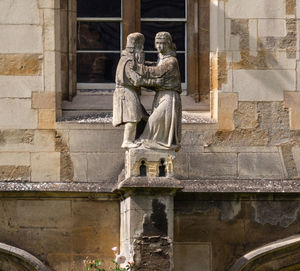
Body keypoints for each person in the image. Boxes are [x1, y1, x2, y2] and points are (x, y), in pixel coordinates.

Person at [112, 33, 163, 149]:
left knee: (143, 117)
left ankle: (142, 138)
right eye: (141, 49)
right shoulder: (128, 62)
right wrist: (154, 83)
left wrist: (155, 66)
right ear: (135, 49)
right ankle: (127, 141)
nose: (143, 52)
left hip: (130, 91)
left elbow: (142, 66)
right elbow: (136, 80)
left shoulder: (132, 60)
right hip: (126, 92)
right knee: (132, 117)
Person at [134, 32, 182, 151]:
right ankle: (150, 144)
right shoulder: (162, 59)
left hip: (169, 96)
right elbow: (155, 68)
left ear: (168, 44)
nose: (159, 47)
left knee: (153, 120)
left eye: (162, 44)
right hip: (160, 95)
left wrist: (137, 67)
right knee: (155, 122)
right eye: (157, 43)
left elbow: (156, 72)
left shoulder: (172, 61)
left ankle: (149, 143)